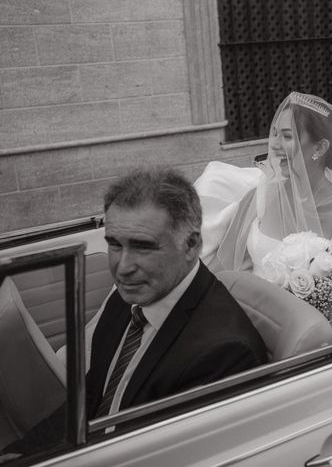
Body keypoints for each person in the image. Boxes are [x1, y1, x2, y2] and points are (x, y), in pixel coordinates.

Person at [4, 168, 267, 457]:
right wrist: (25, 453)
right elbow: (93, 394)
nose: (123, 267)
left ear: (191, 245)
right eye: (115, 244)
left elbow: (166, 458)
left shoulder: (225, 353)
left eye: (143, 247)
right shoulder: (129, 298)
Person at [212, 92, 332, 273]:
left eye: (287, 136)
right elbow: (224, 271)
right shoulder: (258, 198)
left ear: (320, 147)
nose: (274, 144)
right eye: (275, 134)